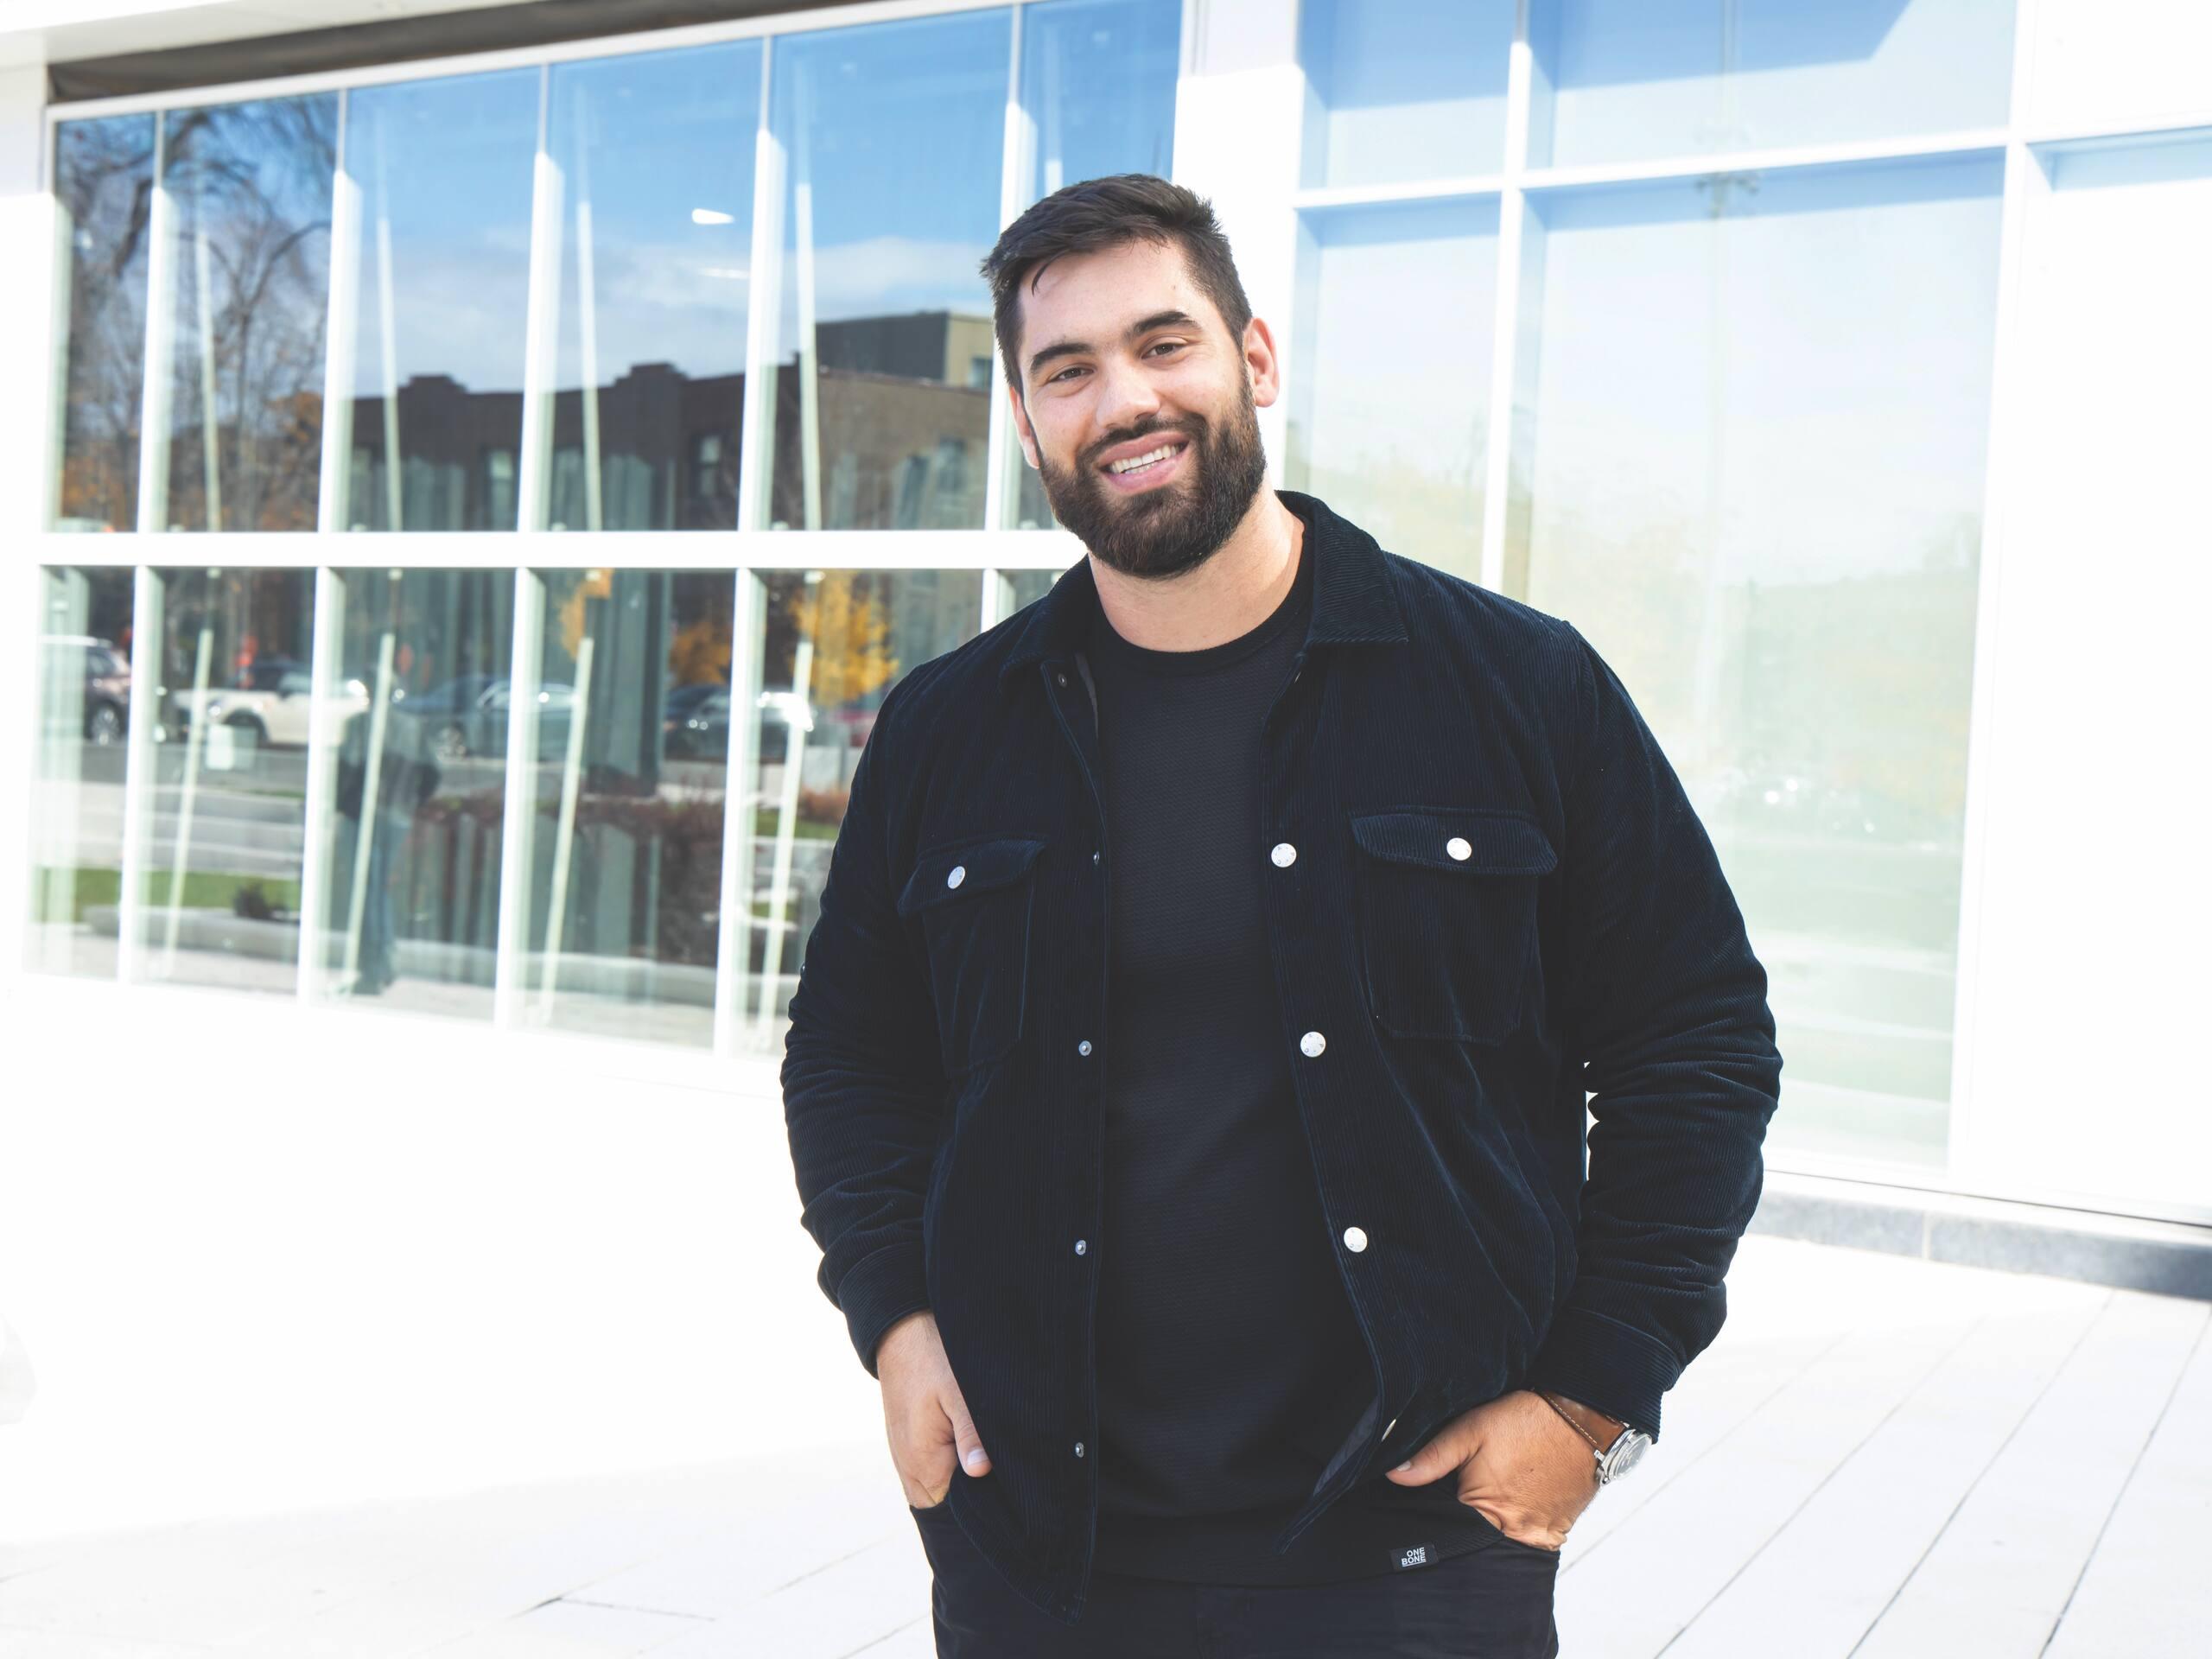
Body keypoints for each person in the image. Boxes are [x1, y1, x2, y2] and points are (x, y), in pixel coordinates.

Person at [780, 174, 1783, 1657]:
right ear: (1025, 420)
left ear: (1252, 360)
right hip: (1040, 1544)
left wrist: (1593, 1396)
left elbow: (1693, 1043)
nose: (1123, 399)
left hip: (1412, 1539)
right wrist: (893, 1319)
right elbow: (852, 1062)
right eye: (1068, 370)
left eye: (1161, 344)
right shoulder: (945, 733)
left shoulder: (1516, 686)